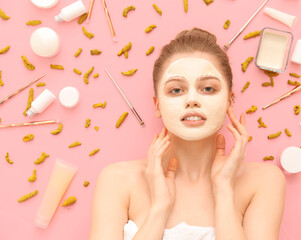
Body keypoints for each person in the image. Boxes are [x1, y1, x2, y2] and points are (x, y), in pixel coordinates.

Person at [89, 27, 286, 240]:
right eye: (176, 90)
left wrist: (224, 191)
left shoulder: (264, 182)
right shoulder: (117, 181)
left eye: (208, 89)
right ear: (157, 105)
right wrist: (159, 209)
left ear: (229, 100)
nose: (192, 99)